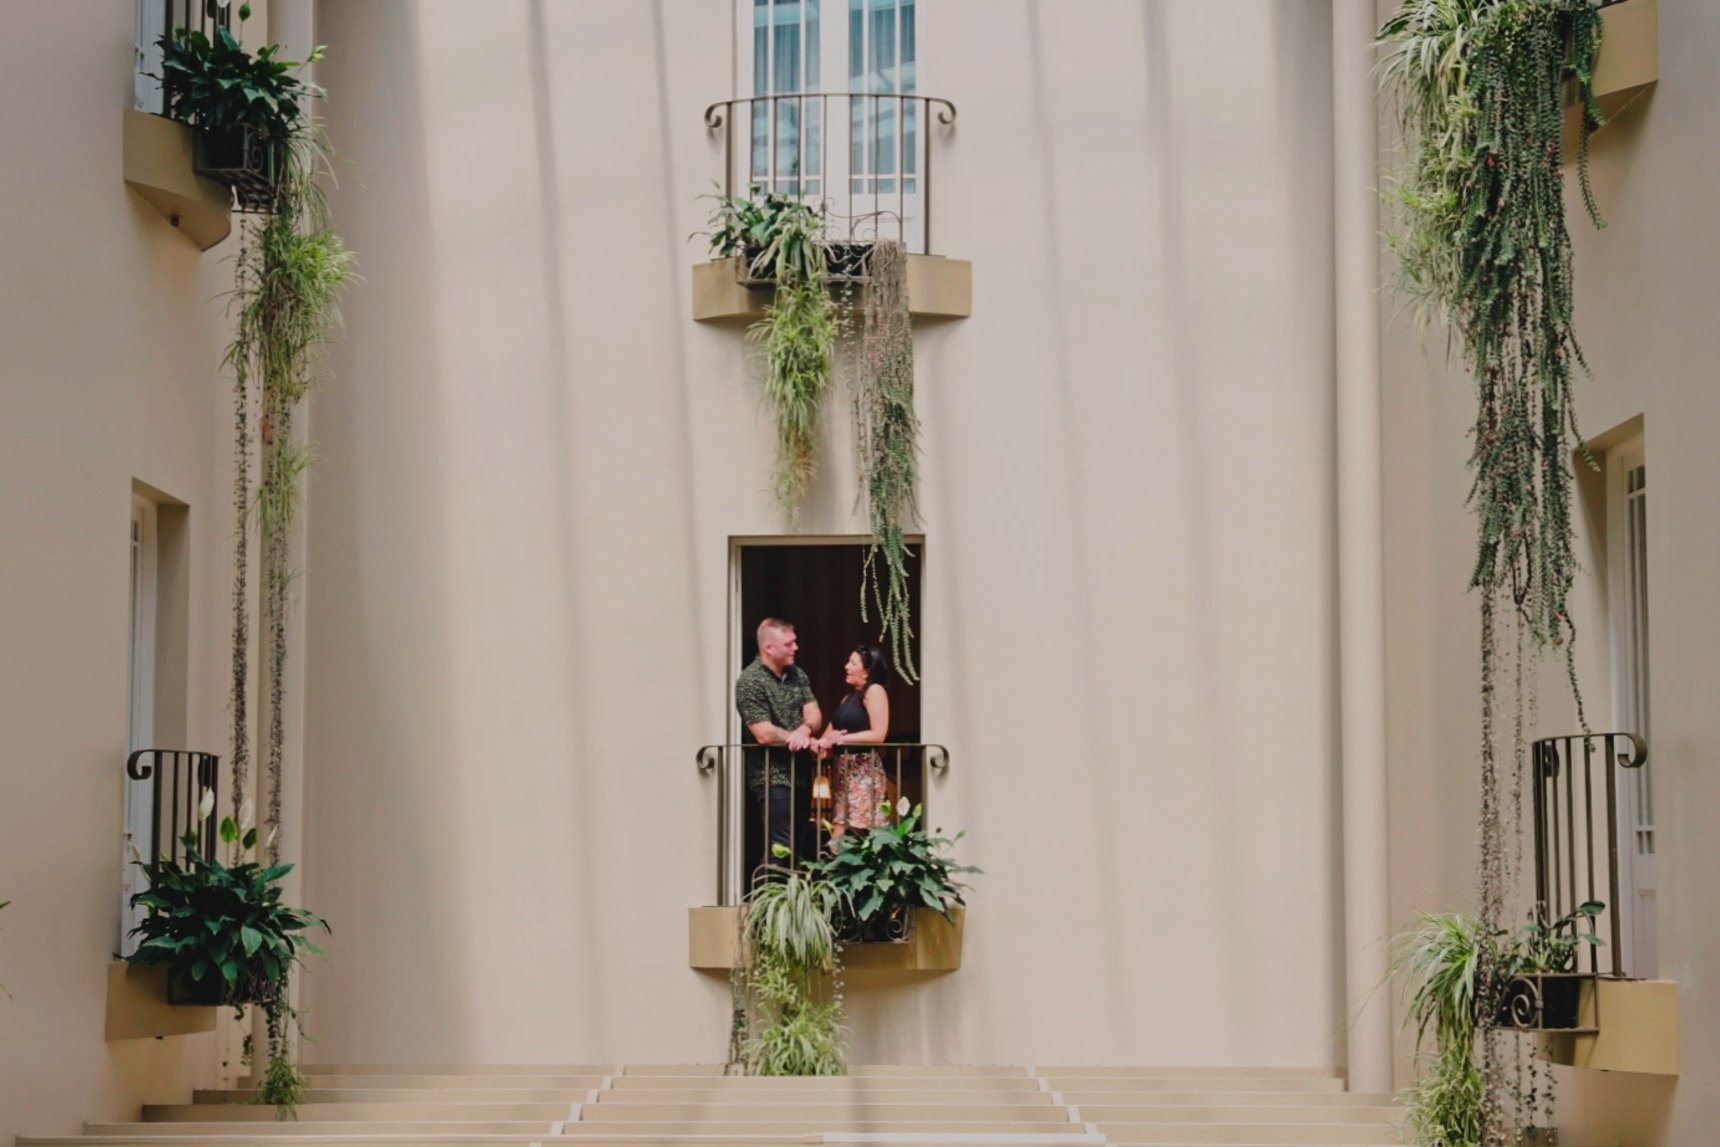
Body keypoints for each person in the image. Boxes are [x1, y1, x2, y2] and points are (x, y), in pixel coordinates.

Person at [734, 617, 823, 871]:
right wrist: (797, 739)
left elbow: (814, 713)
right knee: (780, 846)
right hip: (772, 776)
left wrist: (805, 730)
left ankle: (794, 905)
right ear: (769, 648)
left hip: (801, 774)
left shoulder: (797, 674)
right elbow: (763, 732)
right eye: (789, 644)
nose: (796, 648)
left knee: (799, 844)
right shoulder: (750, 681)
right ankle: (769, 904)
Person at [817, 644, 891, 841]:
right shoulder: (847, 699)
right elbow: (828, 735)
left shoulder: (874, 691)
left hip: (863, 772)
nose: (846, 666)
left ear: (867, 670)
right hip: (842, 773)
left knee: (858, 833)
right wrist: (818, 744)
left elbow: (879, 734)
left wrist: (841, 739)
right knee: (841, 835)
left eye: (852, 663)